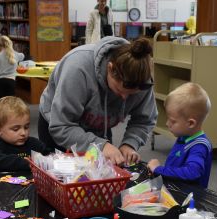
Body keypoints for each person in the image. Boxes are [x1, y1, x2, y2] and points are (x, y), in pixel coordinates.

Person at [38, 36, 158, 166]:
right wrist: (101, 146)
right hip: (59, 126)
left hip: (99, 128)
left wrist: (129, 144)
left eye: (131, 94)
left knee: (99, 173)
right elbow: (61, 126)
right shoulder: (77, 68)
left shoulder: (142, 80)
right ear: (110, 68)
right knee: (61, 175)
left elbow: (144, 120)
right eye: (119, 91)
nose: (124, 98)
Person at [147, 83, 213, 188]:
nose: (167, 124)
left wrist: (159, 169)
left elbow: (192, 172)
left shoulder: (199, 146)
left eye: (172, 121)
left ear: (191, 123)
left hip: (188, 199)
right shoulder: (185, 137)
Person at [0, 96, 51, 172]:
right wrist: (28, 163)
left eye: (26, 127)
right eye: (16, 129)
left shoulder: (34, 144)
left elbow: (50, 155)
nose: (23, 133)